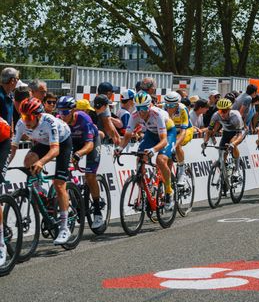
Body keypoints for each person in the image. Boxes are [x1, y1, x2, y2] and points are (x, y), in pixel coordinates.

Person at [9, 98, 73, 245]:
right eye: (24, 116)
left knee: (59, 184)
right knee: (27, 161)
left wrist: (41, 162)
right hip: (44, 143)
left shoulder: (49, 121)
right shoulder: (21, 124)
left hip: (62, 143)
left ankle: (64, 227)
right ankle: (41, 192)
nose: (26, 121)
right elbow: (13, 150)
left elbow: (55, 150)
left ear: (38, 115)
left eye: (29, 117)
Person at [114, 91, 177, 210]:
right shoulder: (134, 115)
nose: (141, 112)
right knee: (139, 160)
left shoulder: (157, 114)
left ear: (149, 106)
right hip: (151, 134)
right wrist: (120, 148)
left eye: (143, 108)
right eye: (138, 108)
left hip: (168, 133)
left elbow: (163, 141)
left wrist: (153, 150)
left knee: (160, 160)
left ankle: (169, 192)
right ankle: (145, 193)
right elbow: (127, 135)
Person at [56, 96, 104, 229]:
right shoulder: (59, 120)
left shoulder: (83, 118)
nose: (62, 115)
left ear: (73, 111)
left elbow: (89, 146)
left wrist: (78, 155)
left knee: (89, 175)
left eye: (65, 112)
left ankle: (97, 210)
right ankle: (74, 201)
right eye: (59, 112)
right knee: (63, 176)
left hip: (91, 141)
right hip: (73, 142)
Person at [202, 98, 246, 186]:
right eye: (221, 110)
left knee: (232, 144)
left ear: (229, 109)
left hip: (237, 133)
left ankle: (236, 170)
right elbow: (209, 130)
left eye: (225, 111)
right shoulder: (216, 115)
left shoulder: (236, 116)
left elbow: (240, 135)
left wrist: (233, 144)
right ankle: (225, 171)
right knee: (222, 153)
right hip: (226, 132)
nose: (222, 113)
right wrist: (205, 142)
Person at [0, 67, 19, 265]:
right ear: (12, 81)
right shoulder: (2, 95)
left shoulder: (8, 95)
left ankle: (1, 241)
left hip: (3, 143)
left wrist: (13, 134)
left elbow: (12, 119)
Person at [163, 92, 194, 185]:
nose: (169, 107)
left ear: (177, 104)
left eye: (171, 105)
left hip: (186, 129)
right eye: (167, 104)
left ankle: (182, 171)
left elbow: (183, 131)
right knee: (167, 159)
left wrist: (175, 144)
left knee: (177, 145)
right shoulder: (162, 108)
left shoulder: (182, 109)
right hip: (172, 130)